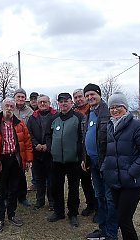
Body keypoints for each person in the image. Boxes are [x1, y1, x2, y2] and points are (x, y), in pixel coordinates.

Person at [102, 92, 140, 240]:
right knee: (120, 218)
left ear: (125, 107)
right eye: (111, 107)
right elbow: (109, 152)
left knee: (124, 219)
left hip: (132, 182)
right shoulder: (110, 126)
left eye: (118, 106)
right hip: (115, 181)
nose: (114, 110)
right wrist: (106, 170)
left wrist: (131, 172)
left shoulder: (137, 126)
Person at [0, 97, 33, 233]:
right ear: (2, 106)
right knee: (1, 190)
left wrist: (27, 160)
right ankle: (0, 218)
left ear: (14, 108)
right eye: (7, 106)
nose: (9, 108)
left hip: (15, 160)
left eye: (12, 106)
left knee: (14, 189)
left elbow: (27, 143)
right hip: (1, 161)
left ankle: (12, 214)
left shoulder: (20, 124)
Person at [81, 84, 118, 240]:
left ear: (99, 94)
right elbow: (85, 138)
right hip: (93, 163)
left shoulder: (107, 112)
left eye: (92, 94)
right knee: (100, 196)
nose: (90, 97)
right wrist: (85, 158)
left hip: (106, 163)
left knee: (110, 199)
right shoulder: (88, 113)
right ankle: (102, 230)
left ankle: (111, 233)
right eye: (87, 95)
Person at [46, 92, 83, 227]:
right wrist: (50, 148)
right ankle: (59, 211)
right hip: (56, 161)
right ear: (58, 103)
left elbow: (82, 137)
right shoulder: (54, 118)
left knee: (73, 189)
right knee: (56, 187)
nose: (63, 104)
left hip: (74, 160)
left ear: (71, 103)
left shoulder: (78, 117)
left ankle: (72, 213)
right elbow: (48, 135)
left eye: (66, 101)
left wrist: (79, 153)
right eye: (61, 102)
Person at [27, 94, 57, 210]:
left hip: (51, 154)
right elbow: (29, 134)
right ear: (37, 104)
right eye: (40, 102)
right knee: (39, 180)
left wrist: (47, 146)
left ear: (49, 103)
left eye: (45, 102)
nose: (43, 104)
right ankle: (40, 201)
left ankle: (52, 202)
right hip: (37, 154)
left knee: (51, 179)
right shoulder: (32, 117)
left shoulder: (56, 116)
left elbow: (57, 135)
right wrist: (36, 145)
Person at [73, 89, 98, 221]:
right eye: (75, 97)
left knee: (97, 182)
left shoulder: (92, 110)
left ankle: (100, 208)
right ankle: (91, 204)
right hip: (81, 153)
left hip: (94, 152)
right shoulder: (74, 112)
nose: (78, 99)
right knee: (85, 181)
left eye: (80, 96)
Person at [13, 88, 34, 206]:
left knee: (21, 172)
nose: (20, 99)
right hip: (10, 146)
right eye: (18, 97)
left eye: (22, 97)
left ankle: (22, 196)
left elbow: (31, 129)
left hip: (23, 145)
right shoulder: (10, 108)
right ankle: (11, 194)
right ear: (14, 98)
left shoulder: (30, 112)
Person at [28, 91, 39, 191]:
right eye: (32, 99)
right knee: (33, 164)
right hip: (30, 140)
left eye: (35, 99)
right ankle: (34, 182)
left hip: (40, 141)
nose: (34, 101)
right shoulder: (28, 110)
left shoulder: (42, 110)